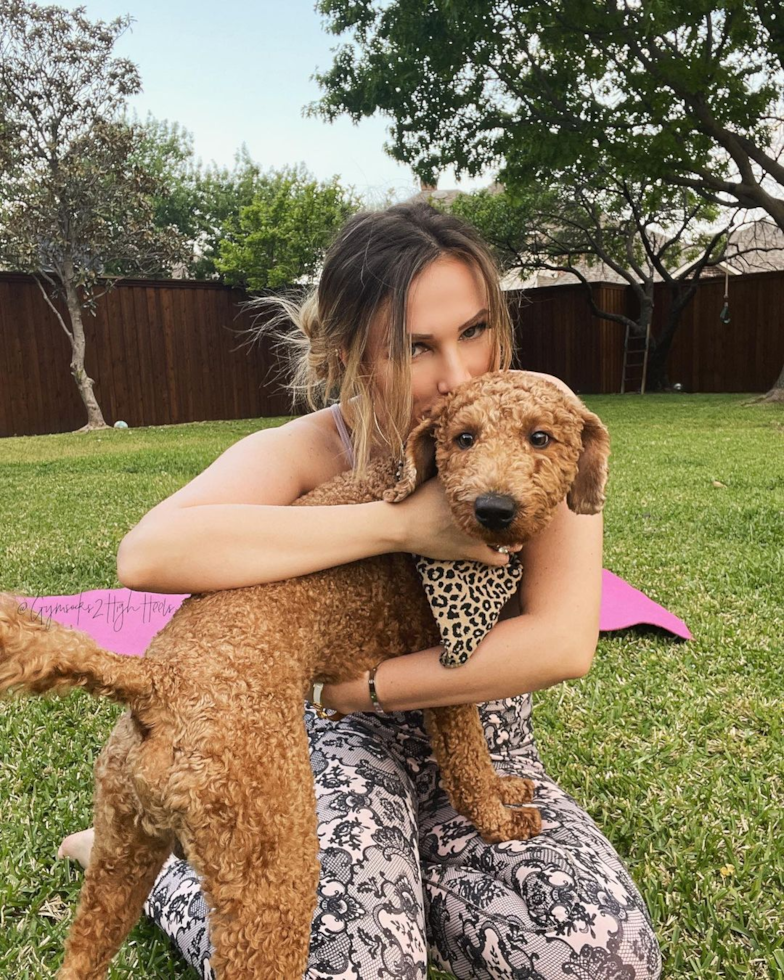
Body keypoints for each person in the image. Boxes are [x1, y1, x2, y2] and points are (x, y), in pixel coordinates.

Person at [59, 202, 662, 980]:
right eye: (416, 347)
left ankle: (411, 889)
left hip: (485, 747)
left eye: (475, 330)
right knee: (346, 965)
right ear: (350, 354)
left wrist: (370, 686)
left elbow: (561, 641)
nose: (459, 375)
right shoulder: (314, 447)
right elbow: (149, 553)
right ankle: (172, 878)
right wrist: (398, 526)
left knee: (605, 957)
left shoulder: (538, 420)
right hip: (338, 748)